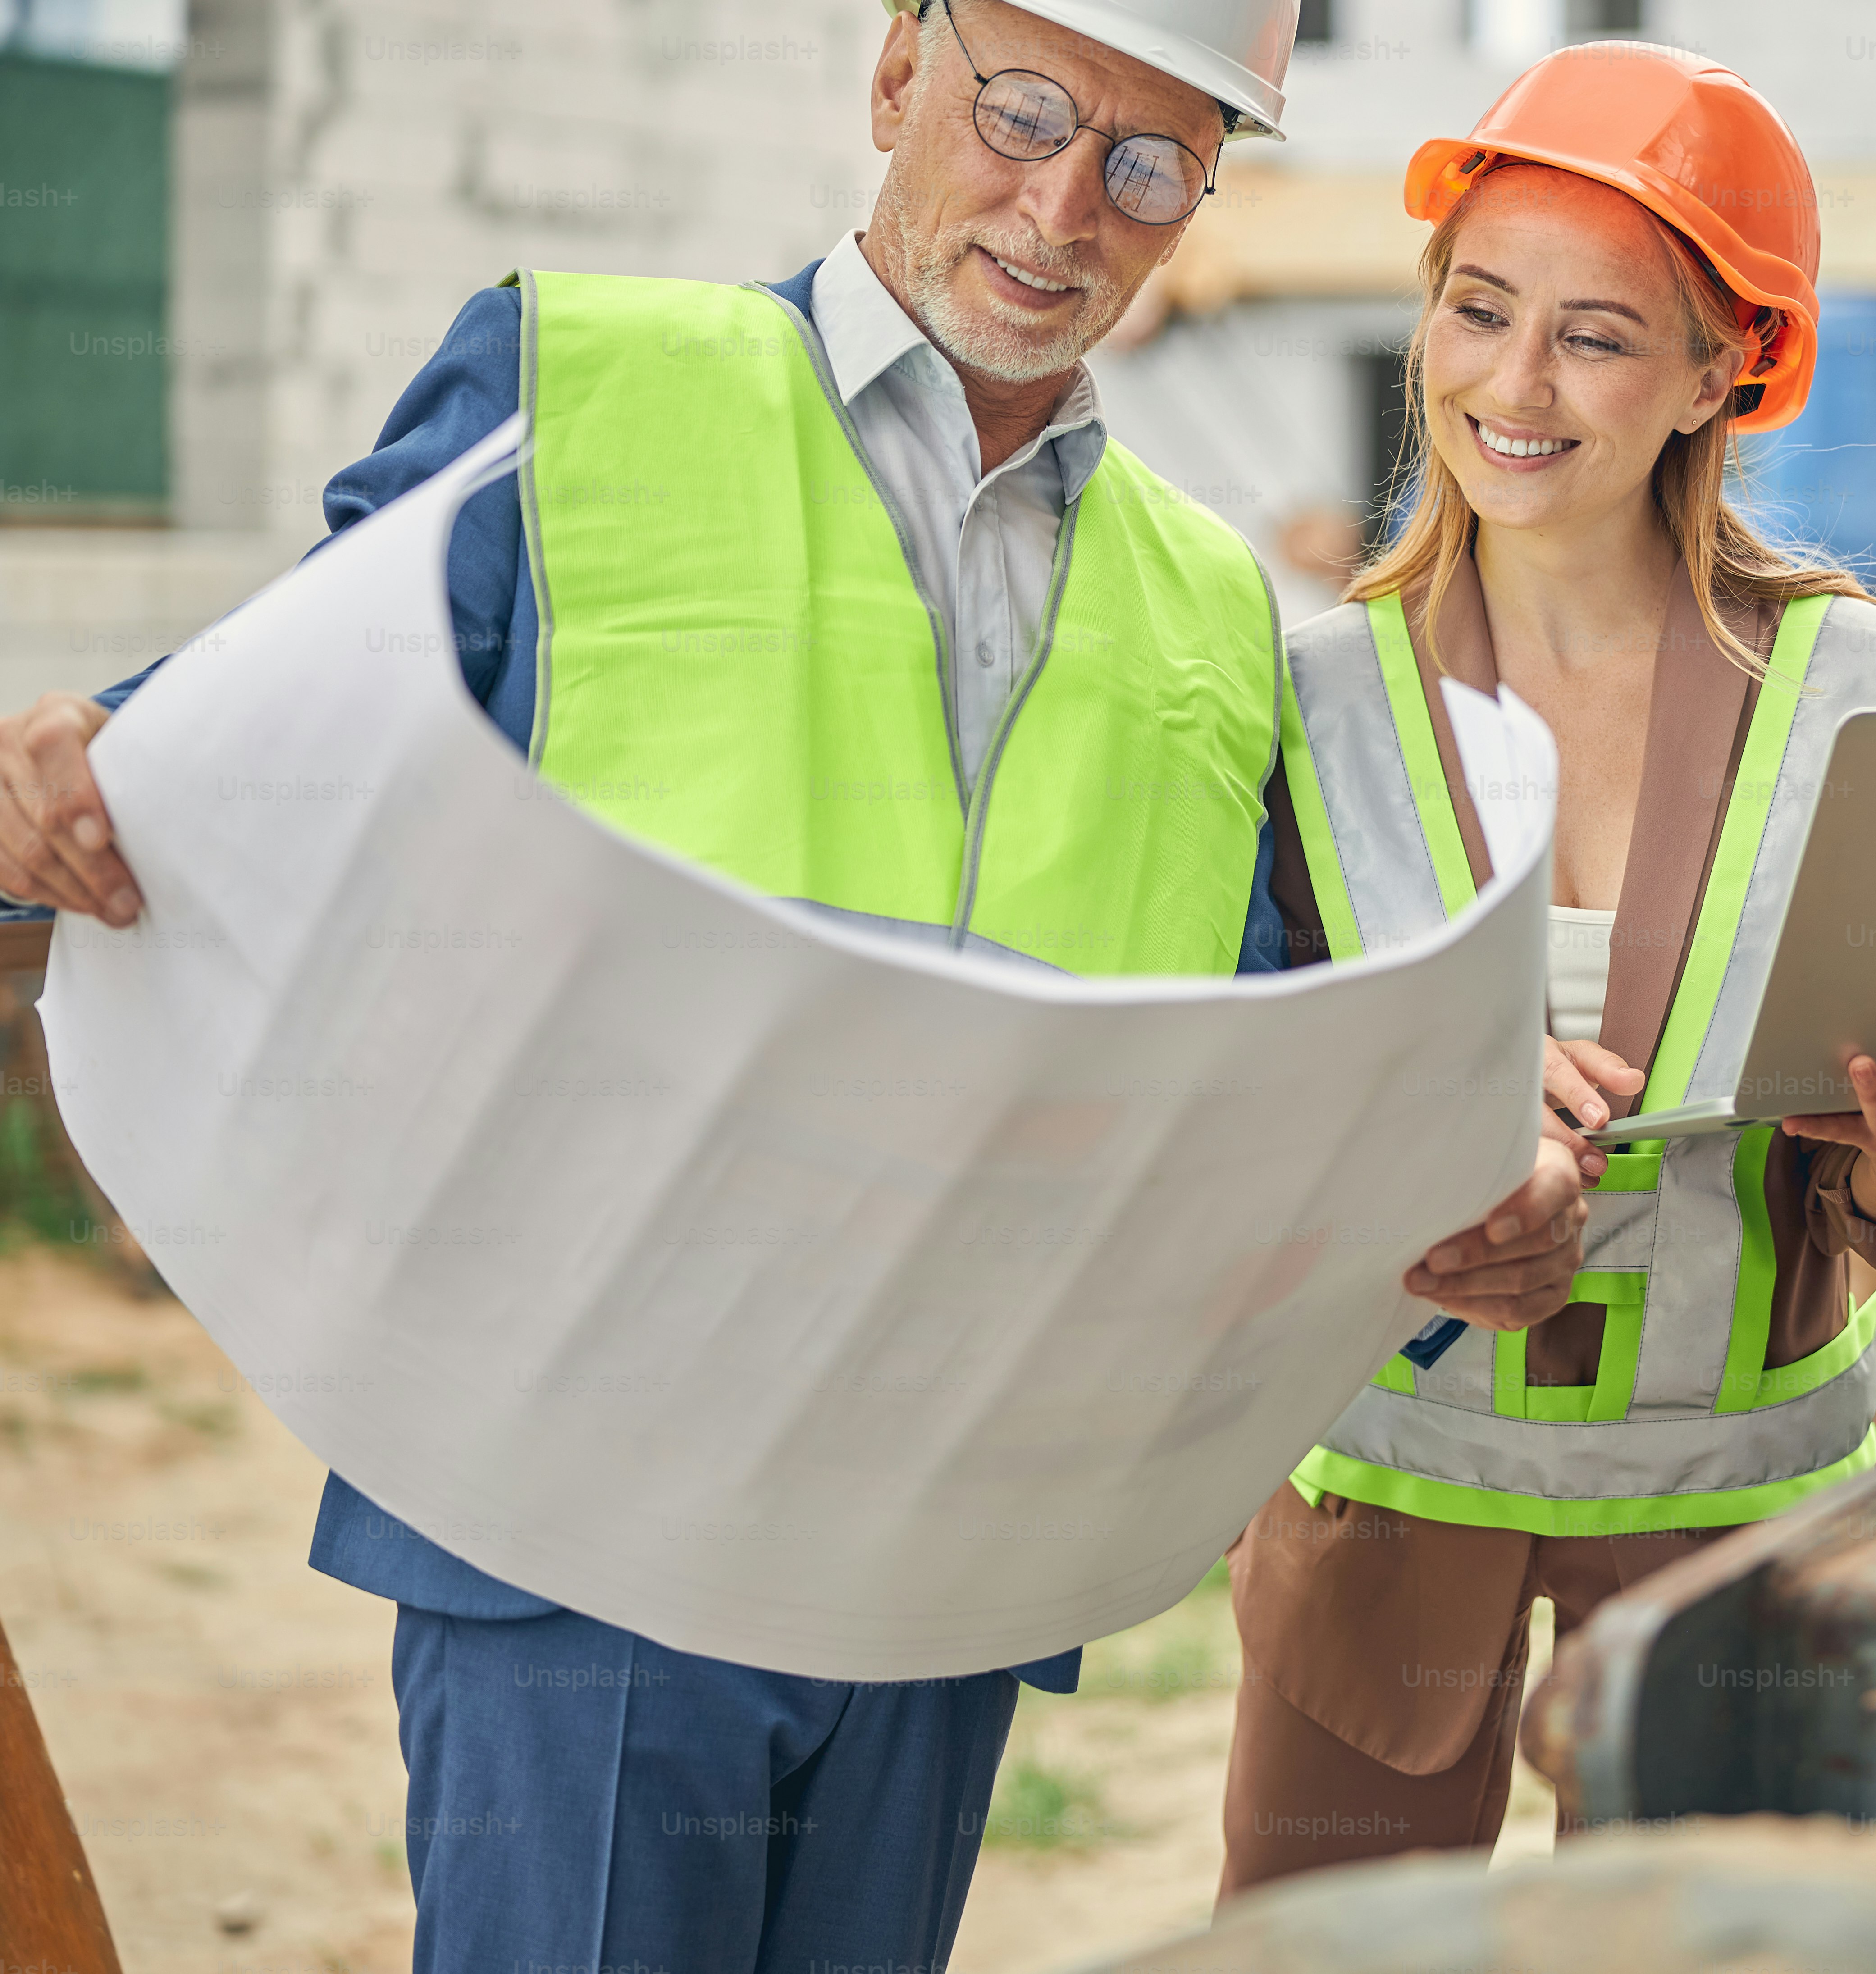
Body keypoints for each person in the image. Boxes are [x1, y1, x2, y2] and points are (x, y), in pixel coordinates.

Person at [0, 3, 1584, 1966]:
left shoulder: (1212, 612)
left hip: (939, 1553)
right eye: (1023, 111)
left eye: (1149, 160)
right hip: (575, 1521)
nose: (1063, 202)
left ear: (1202, 199)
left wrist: (1449, 1221)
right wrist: (51, 780)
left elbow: (1262, 1084)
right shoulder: (581, 390)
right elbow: (256, 743)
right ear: (897, 77)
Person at [1222, 42, 1876, 1893]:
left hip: (1734, 1528)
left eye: (1596, 336)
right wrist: (1391, 1149)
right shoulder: (1296, 704)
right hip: (1387, 1512)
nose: (1511, 387)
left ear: (1719, 374)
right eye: (1476, 311)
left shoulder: (1865, 701)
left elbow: (1869, 1195)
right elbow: (1222, 1118)